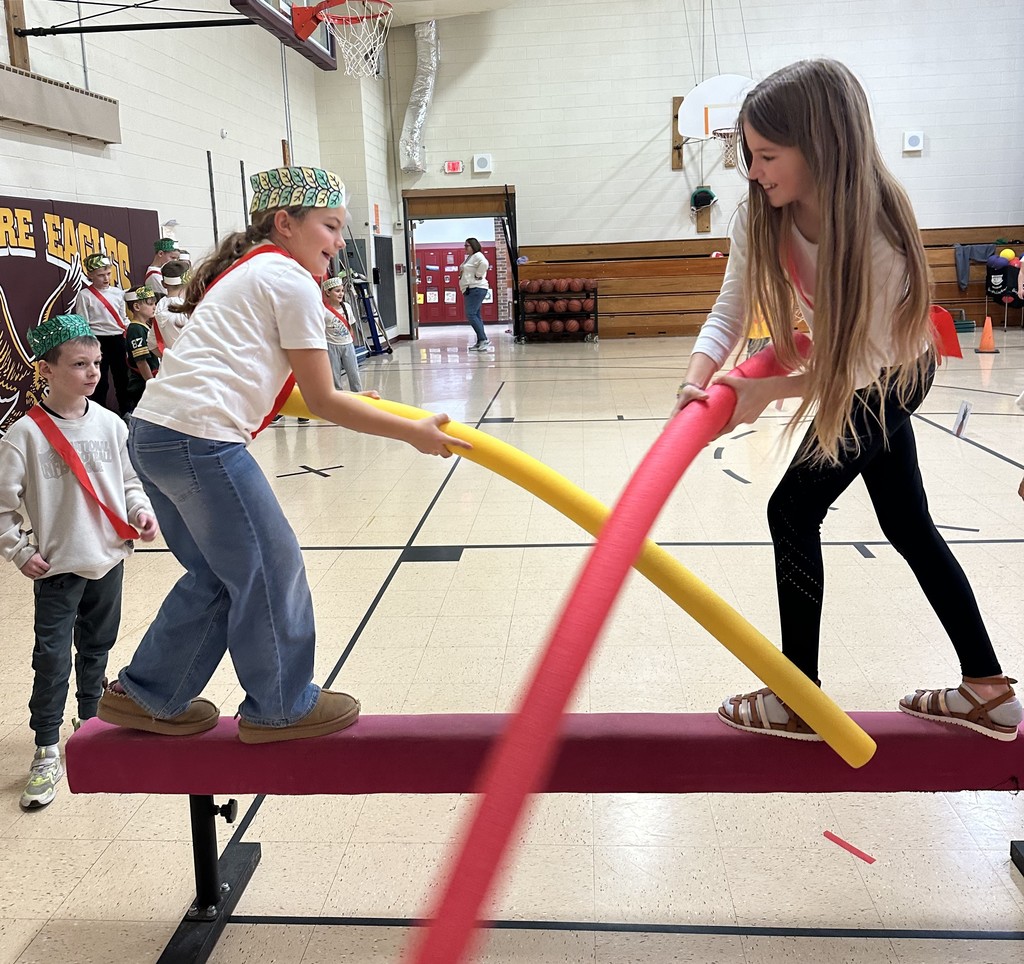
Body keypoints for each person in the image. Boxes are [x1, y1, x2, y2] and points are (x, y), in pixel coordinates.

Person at [670, 60, 1021, 742]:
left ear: (820, 147)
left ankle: (798, 697)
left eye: (768, 156)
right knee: (908, 525)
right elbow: (730, 308)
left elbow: (859, 367)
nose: (753, 172)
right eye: (749, 155)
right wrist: (698, 379)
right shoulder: (760, 214)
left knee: (791, 511)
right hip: (854, 366)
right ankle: (987, 690)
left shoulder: (877, 230)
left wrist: (766, 389)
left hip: (894, 373)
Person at [97, 166, 471, 745]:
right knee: (272, 567)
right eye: (330, 226)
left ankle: (146, 693)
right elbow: (322, 399)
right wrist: (412, 430)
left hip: (153, 436)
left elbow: (281, 380)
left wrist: (348, 400)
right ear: (285, 223)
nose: (340, 242)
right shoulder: (291, 280)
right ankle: (281, 706)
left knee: (218, 574)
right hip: (201, 440)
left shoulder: (250, 271)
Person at [0, 315, 158, 810]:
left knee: (97, 648)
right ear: (46, 370)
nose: (92, 372)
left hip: (107, 560)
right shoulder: (24, 435)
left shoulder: (111, 424)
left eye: (95, 363)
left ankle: (90, 726)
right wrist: (19, 550)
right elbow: (2, 507)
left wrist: (140, 511)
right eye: (78, 364)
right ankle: (47, 748)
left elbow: (129, 483)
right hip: (57, 569)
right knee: (51, 660)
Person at [72, 253, 131, 414]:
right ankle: (99, 412)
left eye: (108, 274)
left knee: (122, 378)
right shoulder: (85, 295)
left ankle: (126, 411)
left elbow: (123, 318)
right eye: (100, 275)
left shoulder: (118, 293)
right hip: (97, 340)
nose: (106, 278)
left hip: (118, 338)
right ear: (90, 275)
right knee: (100, 380)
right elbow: (83, 322)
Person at [322, 275, 363, 392]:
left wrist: (350, 340)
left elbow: (351, 326)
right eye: (337, 291)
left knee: (354, 374)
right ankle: (337, 397)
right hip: (331, 346)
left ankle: (358, 395)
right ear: (328, 293)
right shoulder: (323, 310)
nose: (341, 294)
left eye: (342, 291)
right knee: (334, 377)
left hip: (348, 345)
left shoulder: (347, 307)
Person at [124, 285, 160, 413]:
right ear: (137, 307)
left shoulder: (144, 326)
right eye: (150, 304)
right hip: (142, 384)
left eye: (154, 303)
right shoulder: (136, 329)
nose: (154, 307)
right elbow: (141, 361)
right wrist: (151, 384)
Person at [151, 260, 189, 357]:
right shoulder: (188, 309)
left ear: (163, 283)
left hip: (172, 363)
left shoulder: (159, 307)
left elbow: (152, 344)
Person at [459, 237, 491, 351]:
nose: (465, 248)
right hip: (470, 289)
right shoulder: (470, 257)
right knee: (476, 315)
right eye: (464, 245)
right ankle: (480, 341)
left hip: (476, 288)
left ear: (473, 246)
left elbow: (485, 263)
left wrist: (478, 275)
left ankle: (483, 339)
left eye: (467, 245)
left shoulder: (478, 255)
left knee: (471, 314)